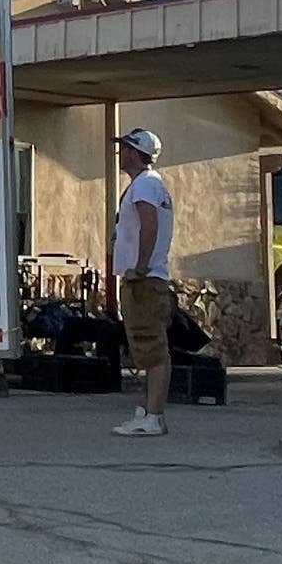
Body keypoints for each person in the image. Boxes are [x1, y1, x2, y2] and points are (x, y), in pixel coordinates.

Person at [109, 127, 173, 437]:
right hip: (142, 278)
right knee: (144, 347)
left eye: (124, 149)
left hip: (145, 279)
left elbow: (150, 225)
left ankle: (154, 416)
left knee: (152, 346)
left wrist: (141, 265)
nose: (120, 154)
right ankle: (148, 410)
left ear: (135, 153)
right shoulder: (146, 184)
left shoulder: (146, 185)